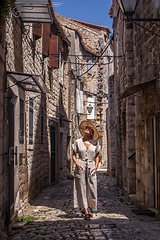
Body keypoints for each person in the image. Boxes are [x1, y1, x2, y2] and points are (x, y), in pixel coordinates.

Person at [72, 120, 101, 220]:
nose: (87, 129)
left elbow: (97, 155)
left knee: (92, 187)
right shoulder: (78, 142)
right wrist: (77, 164)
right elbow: (73, 155)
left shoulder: (95, 143)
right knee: (81, 186)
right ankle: (85, 209)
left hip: (91, 165)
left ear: (92, 132)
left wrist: (96, 166)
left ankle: (91, 206)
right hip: (81, 164)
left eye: (89, 129)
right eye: (86, 128)